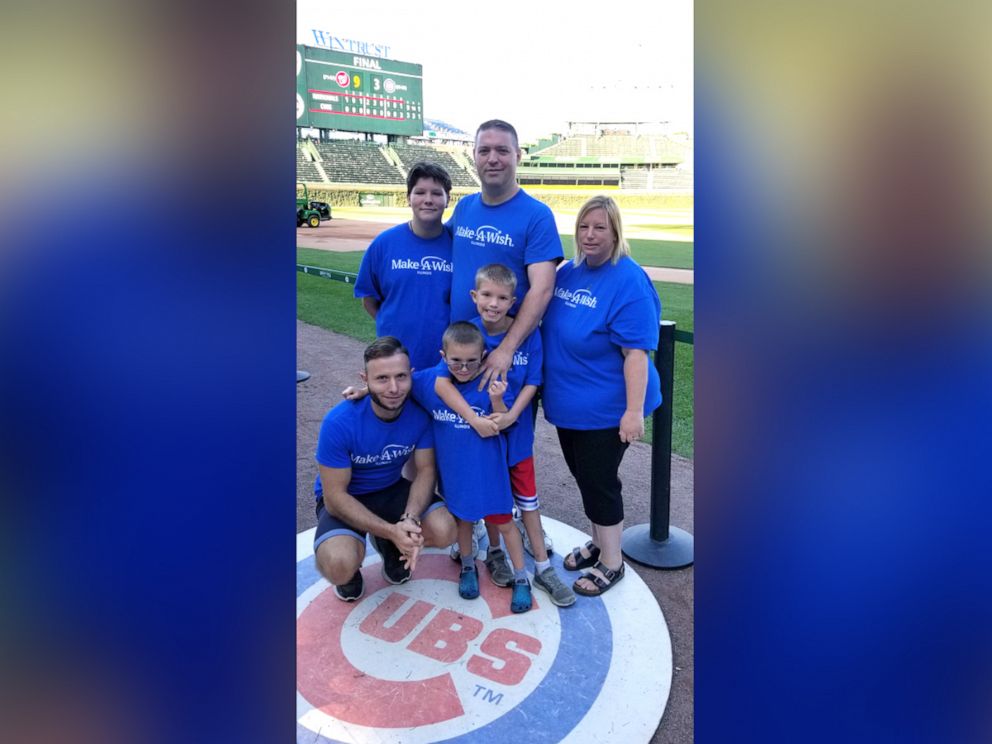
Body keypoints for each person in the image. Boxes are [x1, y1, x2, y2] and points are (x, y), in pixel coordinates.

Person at [345, 322, 534, 614]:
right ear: (443, 356)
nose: (463, 367)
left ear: (483, 356)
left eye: (472, 361)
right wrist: (364, 389)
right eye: (455, 361)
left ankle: (521, 577)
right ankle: (468, 567)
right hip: (456, 476)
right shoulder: (429, 380)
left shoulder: (489, 381)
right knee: (462, 522)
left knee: (505, 524)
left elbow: (503, 421)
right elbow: (398, 385)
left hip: (489, 477)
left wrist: (497, 399)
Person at [541, 196, 662, 596]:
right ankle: (599, 542)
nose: (590, 235)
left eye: (600, 228)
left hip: (608, 409)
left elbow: (636, 355)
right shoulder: (569, 273)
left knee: (599, 482)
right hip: (570, 405)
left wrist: (632, 411)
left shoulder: (628, 280)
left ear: (615, 233)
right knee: (584, 478)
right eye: (583, 227)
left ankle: (612, 563)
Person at [434, 264, 575, 607]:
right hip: (483, 443)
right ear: (474, 297)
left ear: (514, 300)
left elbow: (533, 381)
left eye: (501, 297)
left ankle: (541, 566)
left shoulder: (527, 333)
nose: (493, 304)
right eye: (486, 295)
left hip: (517, 437)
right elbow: (438, 378)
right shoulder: (467, 335)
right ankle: (494, 554)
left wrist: (512, 414)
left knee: (527, 502)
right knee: (491, 501)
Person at [313, 336, 456, 602]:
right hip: (347, 498)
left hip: (390, 489)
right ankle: (360, 561)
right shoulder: (339, 422)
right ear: (364, 379)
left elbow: (425, 471)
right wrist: (391, 530)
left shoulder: (419, 413)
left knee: (445, 529)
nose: (394, 387)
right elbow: (334, 498)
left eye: (401, 377)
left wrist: (409, 520)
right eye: (382, 379)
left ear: (411, 375)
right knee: (338, 565)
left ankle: (390, 544)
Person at [447, 120, 563, 390]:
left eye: (502, 150)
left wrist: (507, 349)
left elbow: (543, 289)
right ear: (474, 156)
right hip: (461, 351)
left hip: (508, 356)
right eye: (484, 151)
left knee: (505, 427)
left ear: (518, 156)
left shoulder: (537, 215)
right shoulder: (464, 208)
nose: (493, 159)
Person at [354, 161, 454, 372]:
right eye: (420, 192)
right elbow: (369, 301)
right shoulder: (384, 244)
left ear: (448, 199)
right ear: (409, 198)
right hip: (394, 362)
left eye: (437, 193)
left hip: (445, 366)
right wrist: (393, 325)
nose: (428, 200)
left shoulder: (459, 246)